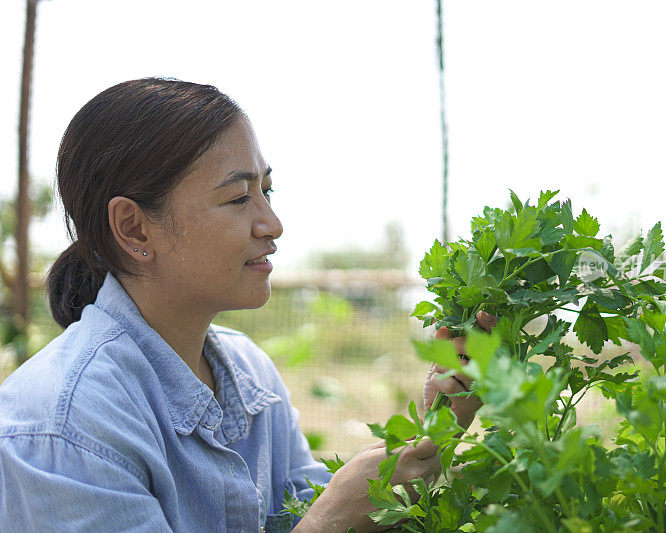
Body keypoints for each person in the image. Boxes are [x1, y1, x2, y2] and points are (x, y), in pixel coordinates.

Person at [0, 78, 491, 532]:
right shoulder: (64, 426)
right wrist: (329, 523)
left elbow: (303, 513)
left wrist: (440, 423)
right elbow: (320, 521)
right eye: (238, 198)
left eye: (267, 190)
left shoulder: (250, 374)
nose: (272, 224)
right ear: (134, 228)